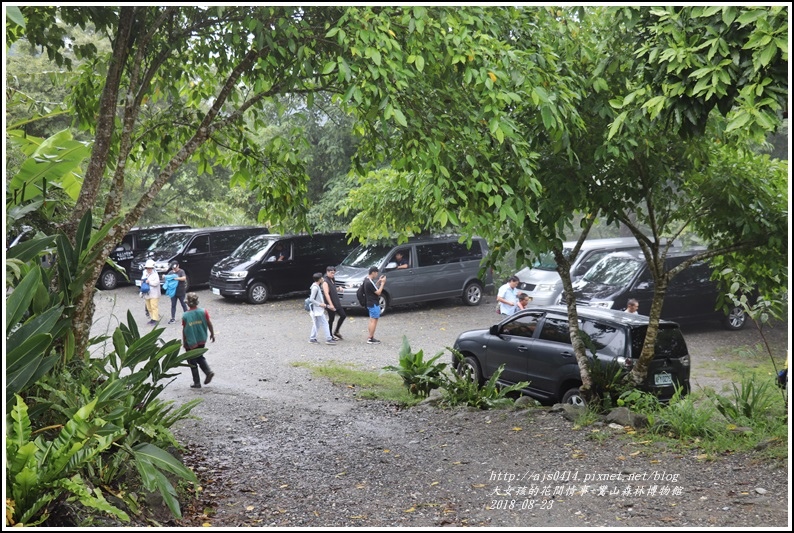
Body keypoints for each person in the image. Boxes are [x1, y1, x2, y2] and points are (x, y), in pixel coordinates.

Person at [182, 292, 215, 389]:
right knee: (199, 356)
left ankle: (197, 382)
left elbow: (185, 330)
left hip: (191, 341)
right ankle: (207, 372)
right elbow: (209, 323)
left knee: (192, 362)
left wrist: (184, 342)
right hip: (201, 339)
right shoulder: (203, 312)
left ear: (188, 303)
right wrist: (212, 334)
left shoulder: (185, 316)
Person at [308, 272, 336, 345]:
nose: (323, 279)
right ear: (319, 279)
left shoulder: (316, 286)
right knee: (324, 323)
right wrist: (320, 304)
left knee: (317, 324)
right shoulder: (315, 288)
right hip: (317, 309)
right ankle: (328, 338)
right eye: (321, 278)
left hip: (318, 309)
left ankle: (312, 338)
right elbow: (311, 299)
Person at [322, 266, 346, 340]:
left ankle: (336, 331)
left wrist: (338, 289)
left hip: (336, 301)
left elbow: (332, 289)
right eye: (331, 273)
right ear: (327, 272)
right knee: (331, 319)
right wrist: (330, 304)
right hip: (330, 303)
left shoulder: (332, 279)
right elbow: (326, 293)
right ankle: (329, 335)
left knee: (343, 315)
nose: (333, 274)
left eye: (334, 273)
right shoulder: (325, 281)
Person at [364, 266, 386, 344]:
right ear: (373, 272)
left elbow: (374, 288)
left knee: (371, 320)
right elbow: (378, 292)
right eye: (376, 273)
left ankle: (370, 336)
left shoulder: (367, 280)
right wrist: (382, 284)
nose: (377, 274)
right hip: (373, 303)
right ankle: (370, 338)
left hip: (369, 302)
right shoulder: (369, 282)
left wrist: (379, 282)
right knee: (374, 321)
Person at [141, 259, 161, 325]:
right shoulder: (145, 273)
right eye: (147, 268)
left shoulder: (155, 274)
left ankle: (155, 319)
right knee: (149, 307)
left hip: (154, 293)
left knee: (154, 306)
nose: (148, 269)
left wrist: (149, 282)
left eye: (150, 268)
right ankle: (152, 318)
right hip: (147, 293)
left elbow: (157, 282)